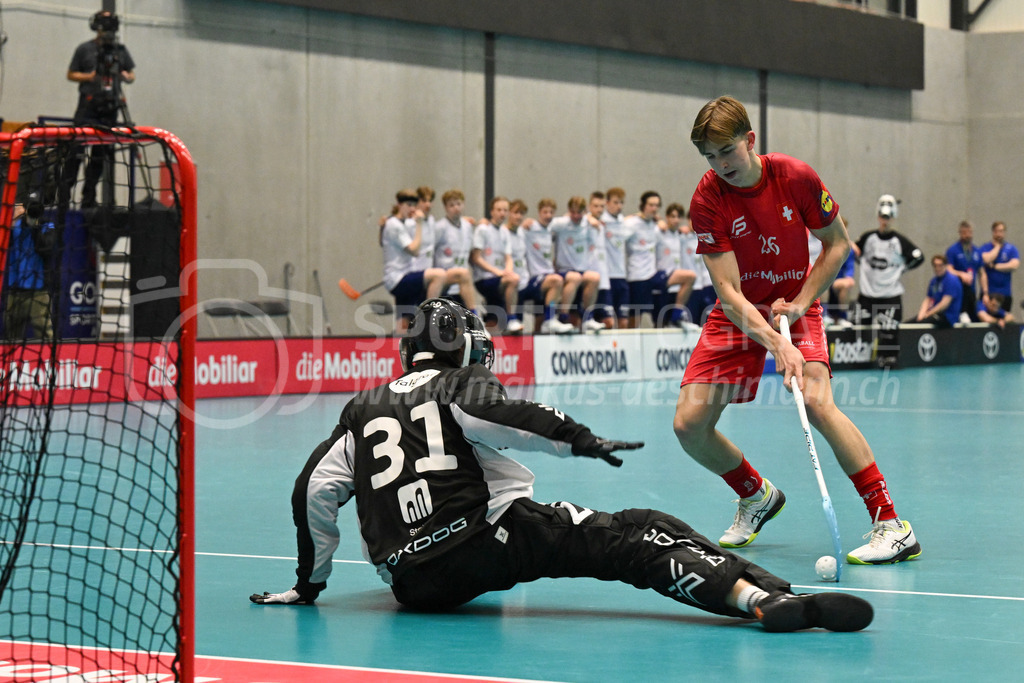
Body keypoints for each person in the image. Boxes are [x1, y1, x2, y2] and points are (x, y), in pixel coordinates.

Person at [250, 298, 874, 634]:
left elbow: (315, 492)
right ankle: (755, 597)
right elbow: (514, 418)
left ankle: (766, 589)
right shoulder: (459, 385)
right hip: (486, 541)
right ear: (461, 347)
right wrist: (582, 440)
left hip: (412, 585)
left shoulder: (362, 408)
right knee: (637, 534)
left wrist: (309, 585)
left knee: (636, 530)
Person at [673, 96, 920, 566]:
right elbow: (727, 293)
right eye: (709, 156)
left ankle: (890, 523)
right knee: (689, 425)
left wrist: (803, 303)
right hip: (741, 311)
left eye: (727, 150)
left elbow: (838, 244)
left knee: (816, 400)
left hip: (794, 302)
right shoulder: (708, 199)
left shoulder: (795, 177)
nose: (720, 164)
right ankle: (756, 494)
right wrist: (775, 342)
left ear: (750, 140)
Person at [65, 10, 135, 208]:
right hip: (88, 106)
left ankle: (89, 197)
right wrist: (91, 77)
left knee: (100, 155)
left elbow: (131, 75)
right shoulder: (84, 49)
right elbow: (71, 74)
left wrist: (124, 76)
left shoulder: (120, 50)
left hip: (110, 107)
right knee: (76, 151)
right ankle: (63, 194)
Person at [852, 194, 924, 368]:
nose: (885, 221)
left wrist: (903, 268)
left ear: (893, 217)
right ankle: (860, 359)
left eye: (888, 217)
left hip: (890, 294)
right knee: (858, 325)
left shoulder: (899, 241)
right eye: (883, 217)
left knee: (889, 330)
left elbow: (918, 256)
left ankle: (889, 359)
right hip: (867, 294)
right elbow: (854, 251)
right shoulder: (868, 237)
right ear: (878, 216)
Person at [381, 188, 447, 332]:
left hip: (405, 275)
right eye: (408, 205)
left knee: (403, 326)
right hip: (398, 279)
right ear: (399, 205)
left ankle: (396, 350)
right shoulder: (394, 225)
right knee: (439, 275)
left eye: (413, 205)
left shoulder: (401, 223)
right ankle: (431, 319)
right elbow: (415, 250)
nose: (411, 208)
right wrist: (419, 224)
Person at [508, 199, 574, 334]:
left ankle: (554, 319)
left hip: (544, 276)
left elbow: (576, 217)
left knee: (539, 315)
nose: (548, 215)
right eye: (545, 212)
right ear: (539, 212)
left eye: (551, 212)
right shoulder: (528, 228)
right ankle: (550, 320)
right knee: (556, 280)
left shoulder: (553, 228)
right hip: (533, 277)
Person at [4, 198, 55, 340]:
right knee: (11, 338)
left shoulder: (48, 226)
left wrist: (34, 226)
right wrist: (9, 220)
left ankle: (48, 362)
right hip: (15, 293)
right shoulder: (14, 226)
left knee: (46, 336)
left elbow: (46, 249)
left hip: (38, 293)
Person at [550, 196, 603, 332]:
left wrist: (592, 221)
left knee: (594, 277)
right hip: (564, 269)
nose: (575, 216)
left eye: (579, 213)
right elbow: (542, 225)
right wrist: (529, 223)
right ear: (568, 211)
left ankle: (588, 318)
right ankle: (563, 317)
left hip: (581, 269)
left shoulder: (588, 223)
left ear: (584, 212)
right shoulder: (561, 223)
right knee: (575, 278)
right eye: (572, 212)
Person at [471, 196, 522, 333]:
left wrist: (508, 270)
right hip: (484, 279)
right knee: (513, 280)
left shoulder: (505, 231)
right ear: (492, 212)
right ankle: (512, 318)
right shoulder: (483, 229)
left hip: (499, 279)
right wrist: (497, 271)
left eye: (505, 210)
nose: (502, 213)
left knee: (496, 318)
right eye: (499, 210)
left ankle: (495, 330)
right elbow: (476, 258)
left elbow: (508, 257)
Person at [432, 189, 478, 313]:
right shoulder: (440, 227)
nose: (456, 208)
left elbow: (471, 254)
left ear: (463, 205)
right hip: (444, 281)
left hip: (462, 286)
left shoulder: (468, 226)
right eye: (451, 205)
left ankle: (475, 320)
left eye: (458, 204)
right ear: (446, 208)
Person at [622, 191, 664, 328]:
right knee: (635, 318)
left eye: (656, 205)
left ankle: (672, 320)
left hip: (653, 275)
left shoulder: (655, 224)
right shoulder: (631, 223)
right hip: (637, 276)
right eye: (651, 205)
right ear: (643, 205)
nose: (654, 208)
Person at [657, 203, 698, 327]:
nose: (675, 220)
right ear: (667, 217)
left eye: (678, 217)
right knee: (660, 322)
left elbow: (693, 232)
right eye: (672, 216)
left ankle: (677, 315)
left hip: (675, 283)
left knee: (668, 321)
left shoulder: (681, 236)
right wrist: (658, 221)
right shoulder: (660, 232)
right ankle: (676, 316)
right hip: (662, 277)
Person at [601, 187, 632, 328]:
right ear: (607, 203)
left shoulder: (622, 220)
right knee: (608, 321)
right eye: (615, 202)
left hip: (621, 276)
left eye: (621, 202)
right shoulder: (601, 220)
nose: (618, 206)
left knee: (624, 321)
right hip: (606, 277)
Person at [945, 220, 985, 323]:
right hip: (958, 291)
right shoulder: (953, 250)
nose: (967, 235)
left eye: (969, 232)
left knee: (975, 318)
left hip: (972, 292)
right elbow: (948, 269)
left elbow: (982, 273)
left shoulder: (976, 251)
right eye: (964, 233)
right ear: (960, 233)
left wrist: (985, 292)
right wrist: (961, 274)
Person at [912, 255, 963, 328]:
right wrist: (921, 314)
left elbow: (944, 304)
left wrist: (928, 314)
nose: (937, 268)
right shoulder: (934, 281)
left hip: (947, 317)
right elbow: (928, 299)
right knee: (908, 324)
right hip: (934, 314)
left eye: (940, 265)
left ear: (945, 266)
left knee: (921, 325)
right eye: (935, 266)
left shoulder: (951, 280)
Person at [980, 221, 1020, 312]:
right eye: (997, 231)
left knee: (1004, 321)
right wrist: (997, 247)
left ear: (1004, 232)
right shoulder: (985, 247)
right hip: (988, 293)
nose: (999, 234)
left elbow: (1014, 265)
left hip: (1005, 294)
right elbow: (986, 259)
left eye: (1001, 231)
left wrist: (994, 266)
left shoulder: (1011, 249)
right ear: (993, 232)